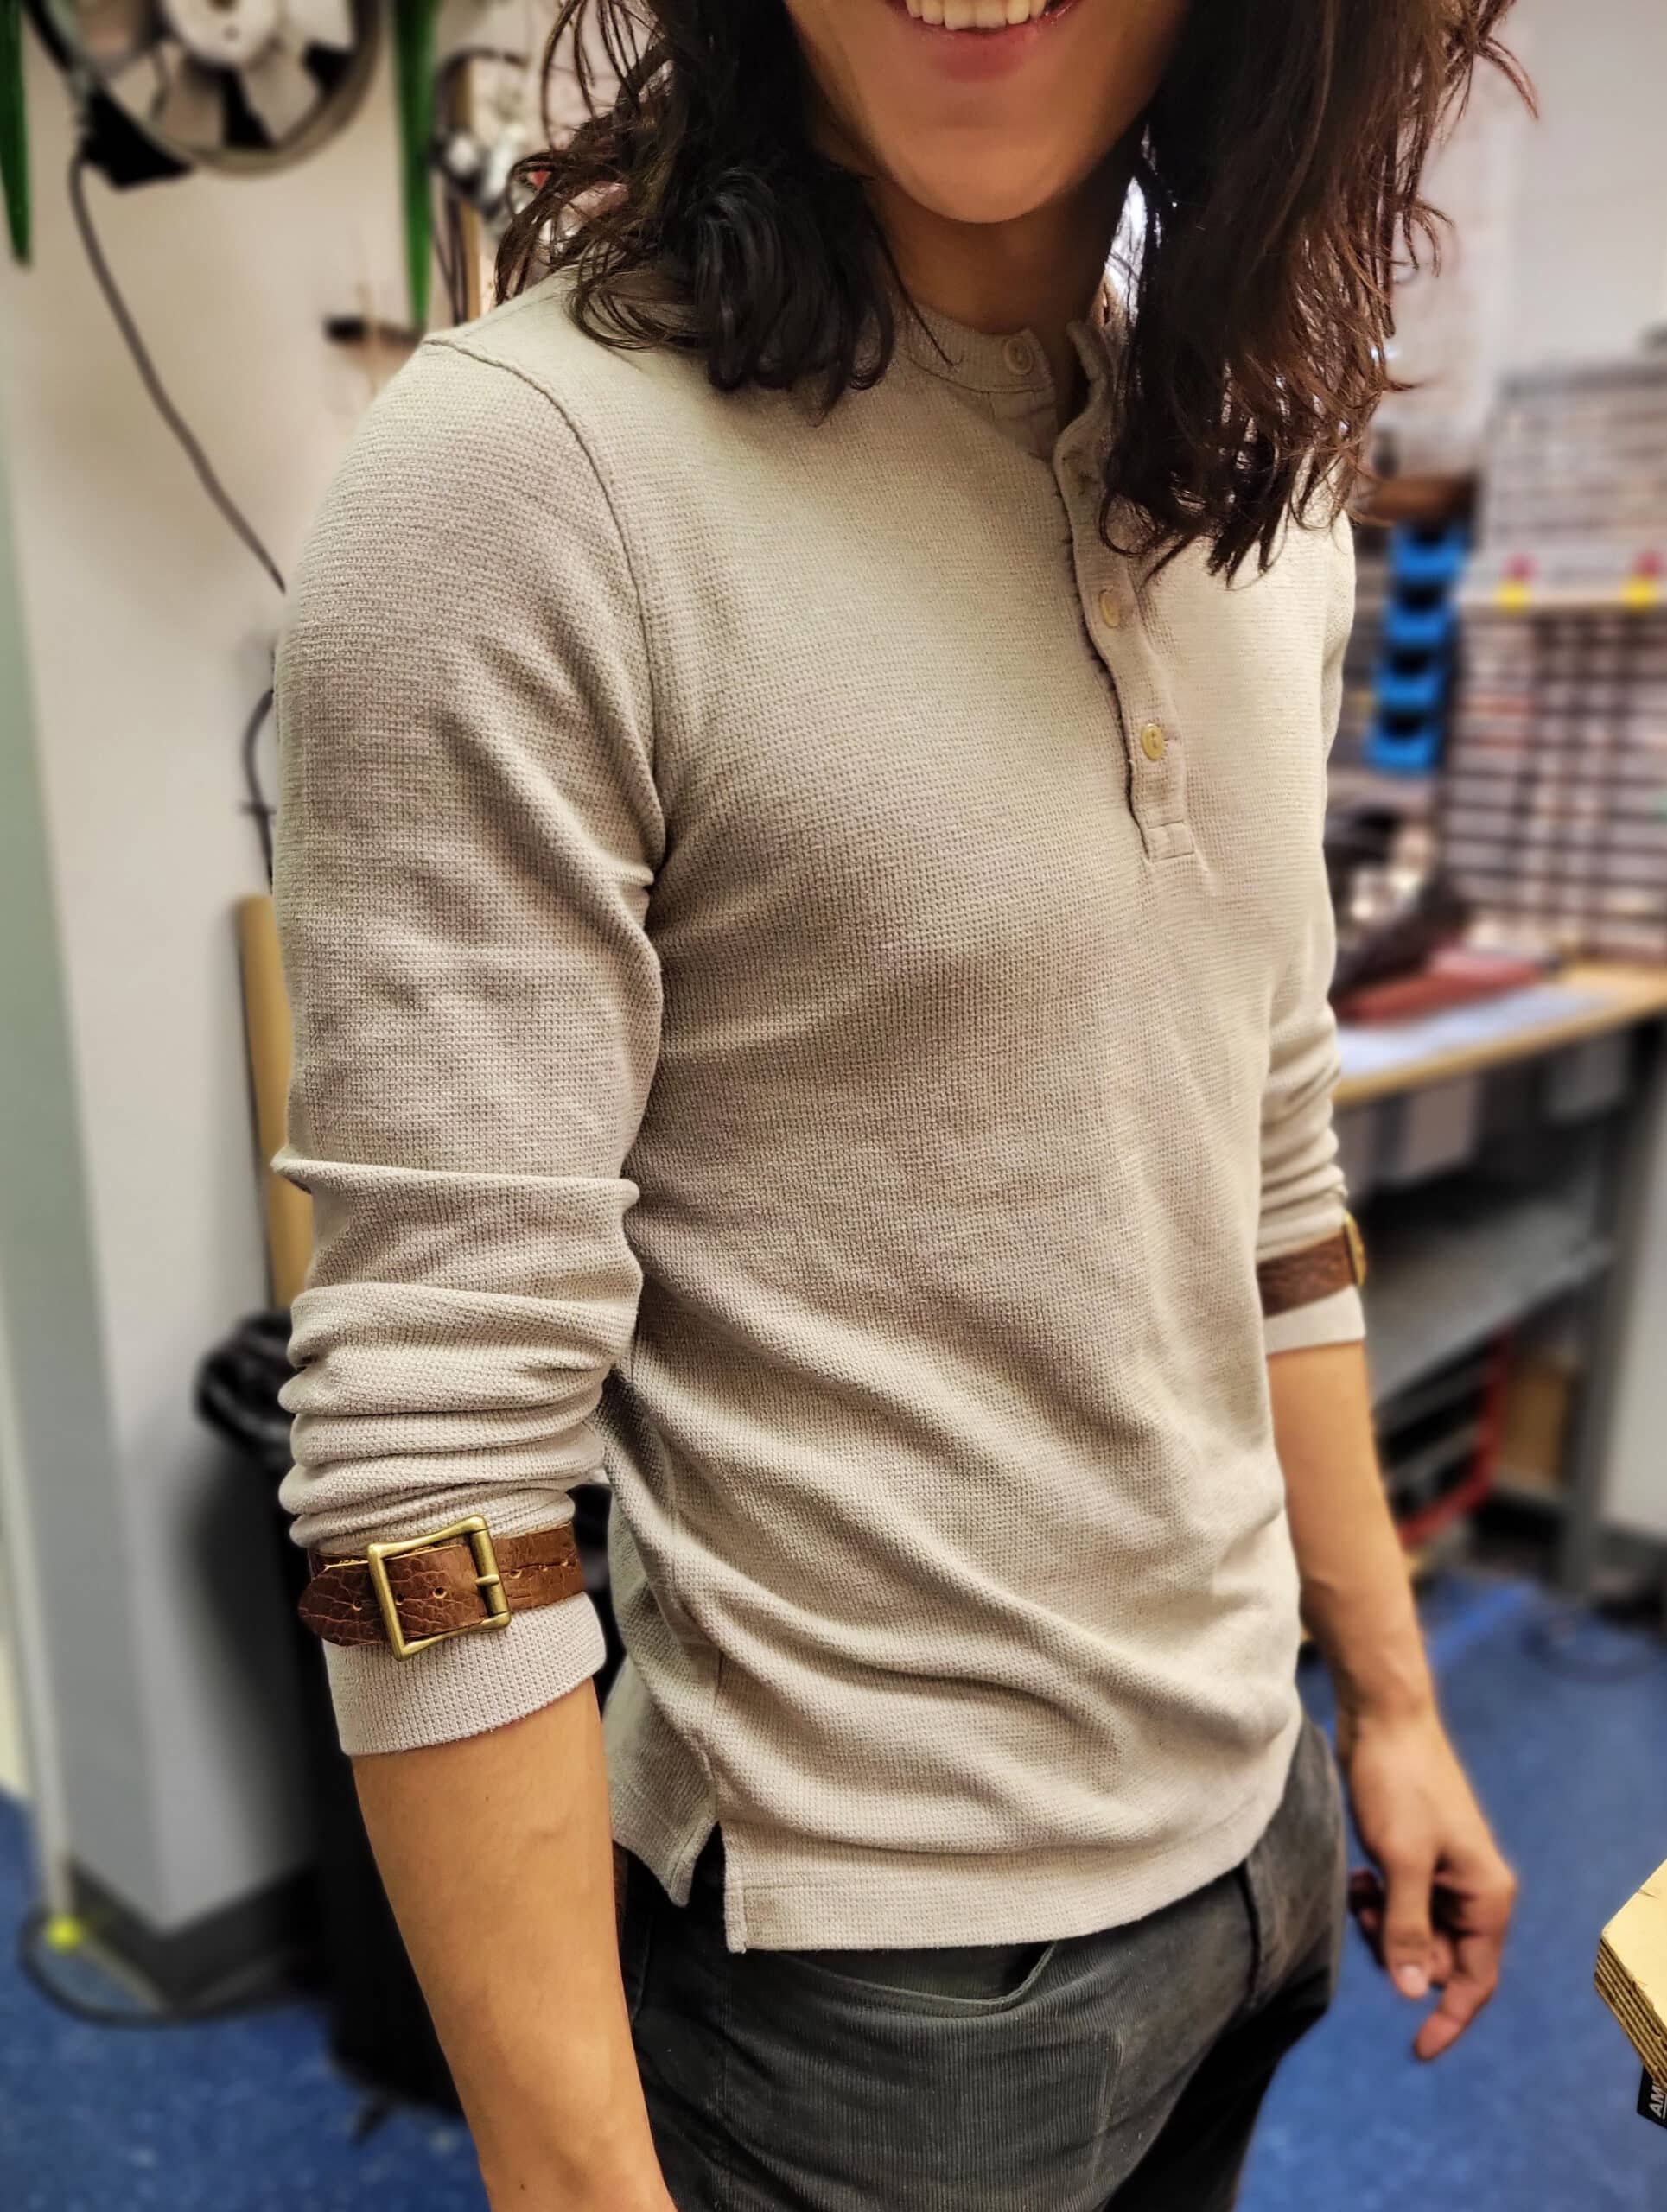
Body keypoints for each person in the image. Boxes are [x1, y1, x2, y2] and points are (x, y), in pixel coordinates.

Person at [271, 1, 1525, 2204]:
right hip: (875, 1994)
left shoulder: (1266, 494)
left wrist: (1390, 1700)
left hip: (1256, 1830)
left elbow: (1269, 1165)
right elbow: (432, 1454)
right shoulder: (523, 478)